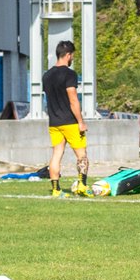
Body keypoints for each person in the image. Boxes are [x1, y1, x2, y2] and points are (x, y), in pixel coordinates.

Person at [42, 40, 90, 198]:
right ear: (68, 55)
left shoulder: (47, 75)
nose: (72, 59)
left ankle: (56, 190)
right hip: (70, 122)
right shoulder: (69, 74)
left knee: (56, 154)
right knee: (82, 155)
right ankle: (82, 186)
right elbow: (73, 100)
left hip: (54, 122)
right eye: (73, 55)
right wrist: (81, 122)